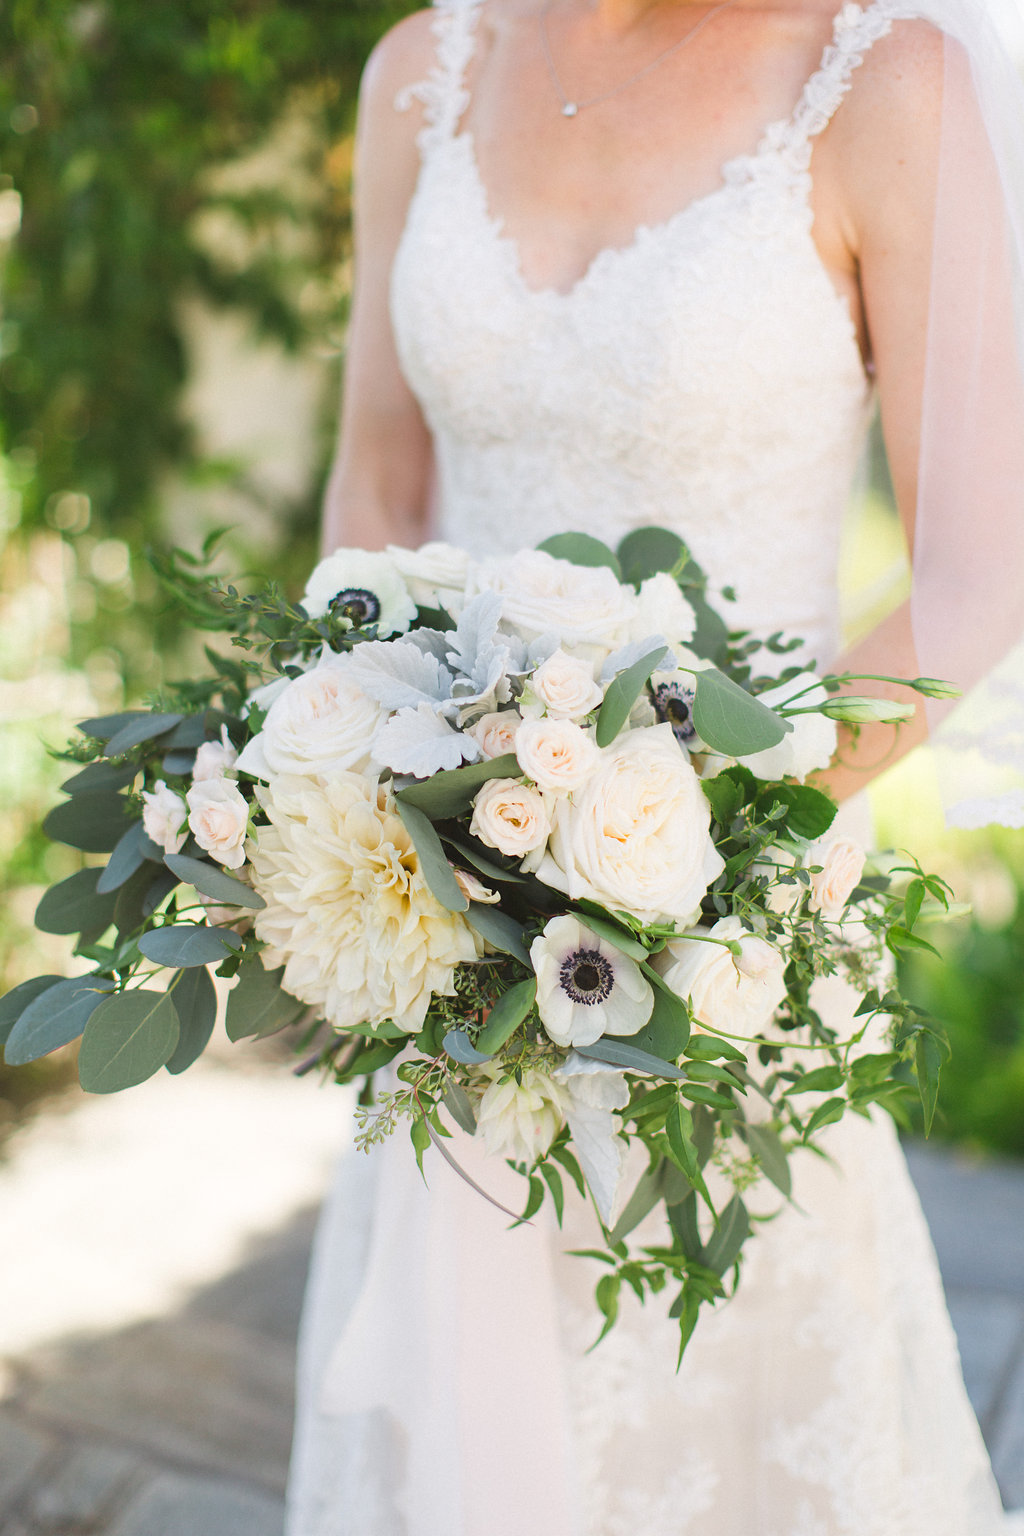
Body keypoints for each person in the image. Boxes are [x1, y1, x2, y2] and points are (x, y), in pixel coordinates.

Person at [287, 1, 1024, 1531]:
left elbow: (975, 569)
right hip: (443, 908)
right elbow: (380, 476)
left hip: (727, 935)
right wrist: (339, 780)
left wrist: (713, 842)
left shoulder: (886, 89)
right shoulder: (425, 72)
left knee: (716, 1407)